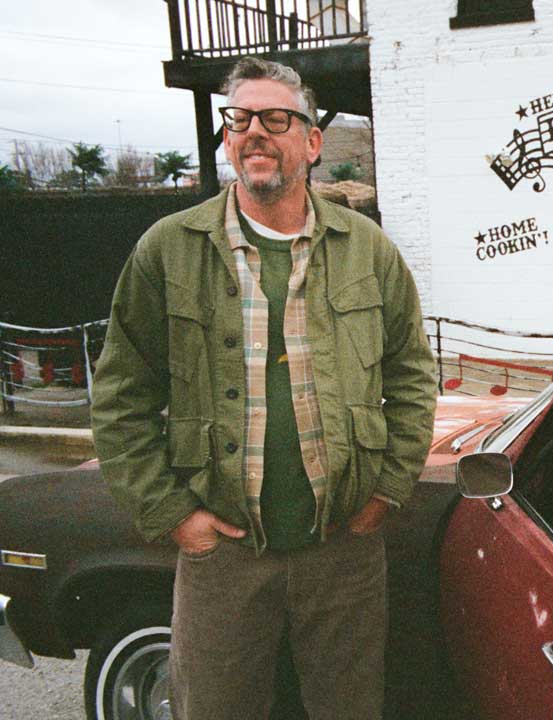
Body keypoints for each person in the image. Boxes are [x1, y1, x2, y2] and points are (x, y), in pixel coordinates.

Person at [91, 56, 436, 719]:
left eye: (276, 118)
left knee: (349, 709)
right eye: (240, 118)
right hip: (222, 557)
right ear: (226, 137)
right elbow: (119, 397)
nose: (255, 131)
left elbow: (413, 375)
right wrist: (175, 516)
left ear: (311, 141)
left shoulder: (370, 250)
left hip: (344, 549)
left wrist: (387, 491)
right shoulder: (168, 249)